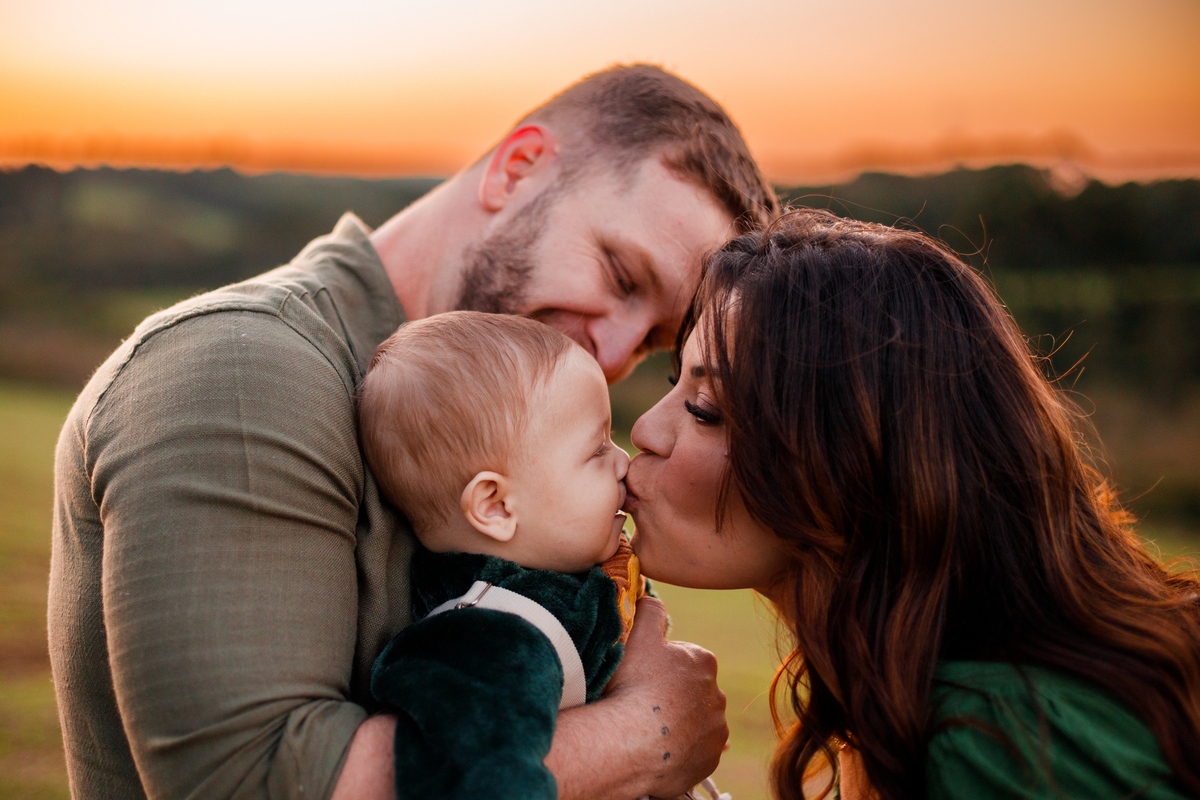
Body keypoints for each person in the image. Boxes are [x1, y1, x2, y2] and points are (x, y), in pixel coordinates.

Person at [49, 64, 777, 800]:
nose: (614, 353)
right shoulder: (245, 366)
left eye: (653, 339)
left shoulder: (509, 434)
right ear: (518, 169)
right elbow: (248, 779)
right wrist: (645, 734)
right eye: (620, 275)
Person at [622, 209, 1200, 799]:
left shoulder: (996, 745)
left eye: (704, 408)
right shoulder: (902, 697)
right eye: (675, 385)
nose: (643, 430)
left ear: (846, 462)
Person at [358, 311, 642, 798]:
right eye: (596, 450)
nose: (623, 462)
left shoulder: (562, 583)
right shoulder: (488, 641)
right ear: (495, 506)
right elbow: (483, 781)